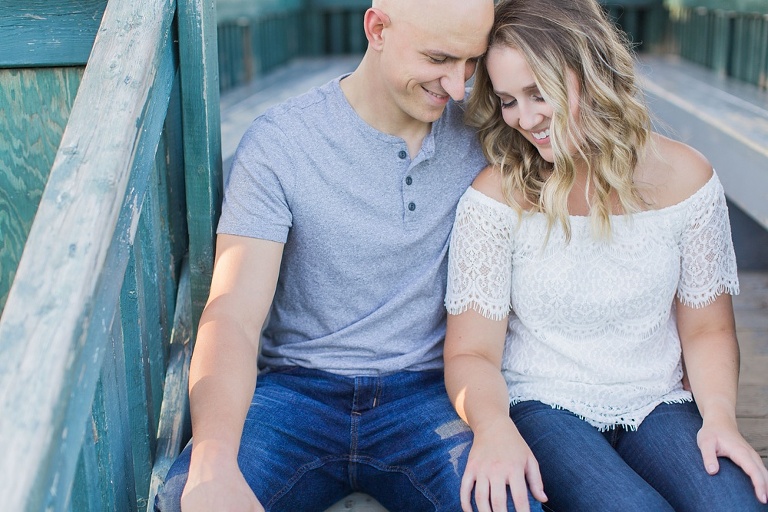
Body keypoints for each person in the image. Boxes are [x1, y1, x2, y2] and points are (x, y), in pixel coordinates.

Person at [154, 1, 544, 511]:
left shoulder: (488, 135)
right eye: (438, 59)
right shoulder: (282, 143)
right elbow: (232, 313)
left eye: (470, 63)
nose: (457, 86)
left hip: (432, 392)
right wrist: (211, 455)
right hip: (295, 393)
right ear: (377, 28)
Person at [442, 0, 768, 510]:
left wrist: (721, 418)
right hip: (542, 406)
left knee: (736, 505)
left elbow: (707, 330)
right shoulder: (496, 197)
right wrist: (493, 426)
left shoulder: (687, 180)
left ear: (591, 74)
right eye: (507, 100)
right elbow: (471, 353)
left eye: (538, 93)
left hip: (658, 401)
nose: (524, 119)